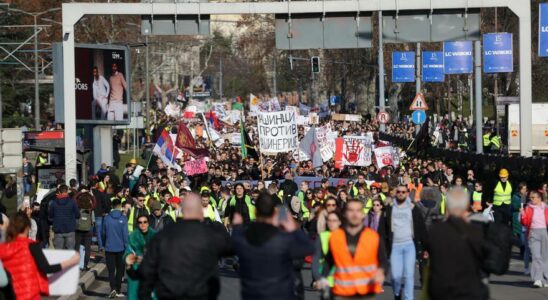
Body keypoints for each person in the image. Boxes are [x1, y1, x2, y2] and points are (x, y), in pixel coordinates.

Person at [135, 193, 233, 299]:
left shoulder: (163, 235)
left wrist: (144, 295)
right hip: (200, 293)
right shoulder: (209, 234)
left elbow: (147, 269)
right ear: (200, 211)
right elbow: (230, 249)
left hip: (171, 292)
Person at [231, 192, 314, 300]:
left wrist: (236, 228)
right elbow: (309, 248)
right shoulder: (283, 238)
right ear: (274, 214)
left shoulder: (243, 237)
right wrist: (293, 228)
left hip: (252, 294)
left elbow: (230, 245)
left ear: (255, 211)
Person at [427, 187, 489, 300]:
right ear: (466, 206)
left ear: (447, 206)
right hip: (469, 291)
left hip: (441, 291)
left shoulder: (434, 231)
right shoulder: (476, 232)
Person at [0, 212, 80, 299]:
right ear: (27, 227)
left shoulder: (3, 248)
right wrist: (71, 261)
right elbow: (46, 268)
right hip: (30, 294)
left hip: (10, 295)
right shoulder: (31, 246)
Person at [320, 199, 387, 300]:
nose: (354, 214)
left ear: (363, 214)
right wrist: (323, 279)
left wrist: (381, 271)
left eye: (358, 210)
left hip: (366, 293)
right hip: (341, 293)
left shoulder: (373, 237)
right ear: (345, 214)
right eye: (351, 210)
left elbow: (384, 262)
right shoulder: (335, 237)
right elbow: (329, 262)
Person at [380, 185, 428, 300]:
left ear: (407, 193)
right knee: (395, 276)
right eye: (399, 191)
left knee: (408, 276)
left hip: (409, 245)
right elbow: (383, 228)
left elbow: (421, 228)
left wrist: (427, 247)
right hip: (395, 245)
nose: (401, 193)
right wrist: (381, 245)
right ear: (395, 193)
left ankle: (408, 298)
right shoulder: (389, 208)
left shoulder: (413, 208)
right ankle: (397, 294)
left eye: (403, 192)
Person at [520, 190, 548, 288]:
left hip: (544, 232)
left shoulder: (545, 208)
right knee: (536, 256)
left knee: (544, 256)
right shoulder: (528, 208)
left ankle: (545, 278)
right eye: (530, 197)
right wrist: (522, 215)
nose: (531, 199)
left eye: (533, 197)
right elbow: (525, 223)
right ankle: (537, 279)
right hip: (532, 233)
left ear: (539, 198)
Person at [124, 214, 156, 300]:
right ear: (137, 224)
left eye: (145, 222)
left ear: (148, 223)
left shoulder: (155, 235)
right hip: (136, 269)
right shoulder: (132, 236)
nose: (143, 224)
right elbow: (127, 252)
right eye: (140, 222)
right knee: (134, 295)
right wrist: (130, 258)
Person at [311, 210, 342, 295]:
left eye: (334, 221)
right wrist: (317, 278)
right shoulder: (322, 236)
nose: (331, 223)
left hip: (343, 281)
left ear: (339, 222)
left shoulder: (345, 236)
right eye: (329, 220)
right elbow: (316, 259)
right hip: (326, 281)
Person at [103, 198, 129, 298]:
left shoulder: (107, 218)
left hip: (109, 247)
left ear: (112, 206)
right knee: (120, 270)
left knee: (111, 270)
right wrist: (127, 247)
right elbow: (125, 235)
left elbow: (103, 233)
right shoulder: (123, 218)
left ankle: (112, 288)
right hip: (121, 248)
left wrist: (104, 244)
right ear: (120, 206)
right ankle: (118, 289)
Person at [49, 184, 80, 250]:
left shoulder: (54, 203)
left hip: (58, 230)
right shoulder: (72, 202)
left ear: (59, 192)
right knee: (70, 251)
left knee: (59, 252)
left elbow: (50, 216)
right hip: (70, 229)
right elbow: (78, 215)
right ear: (67, 191)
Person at [74, 191, 95, 271]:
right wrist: (90, 194)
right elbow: (94, 201)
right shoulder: (90, 208)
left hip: (78, 229)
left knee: (76, 246)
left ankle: (76, 263)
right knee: (87, 248)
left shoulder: (77, 207)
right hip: (87, 229)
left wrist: (80, 192)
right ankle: (85, 264)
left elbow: (74, 199)